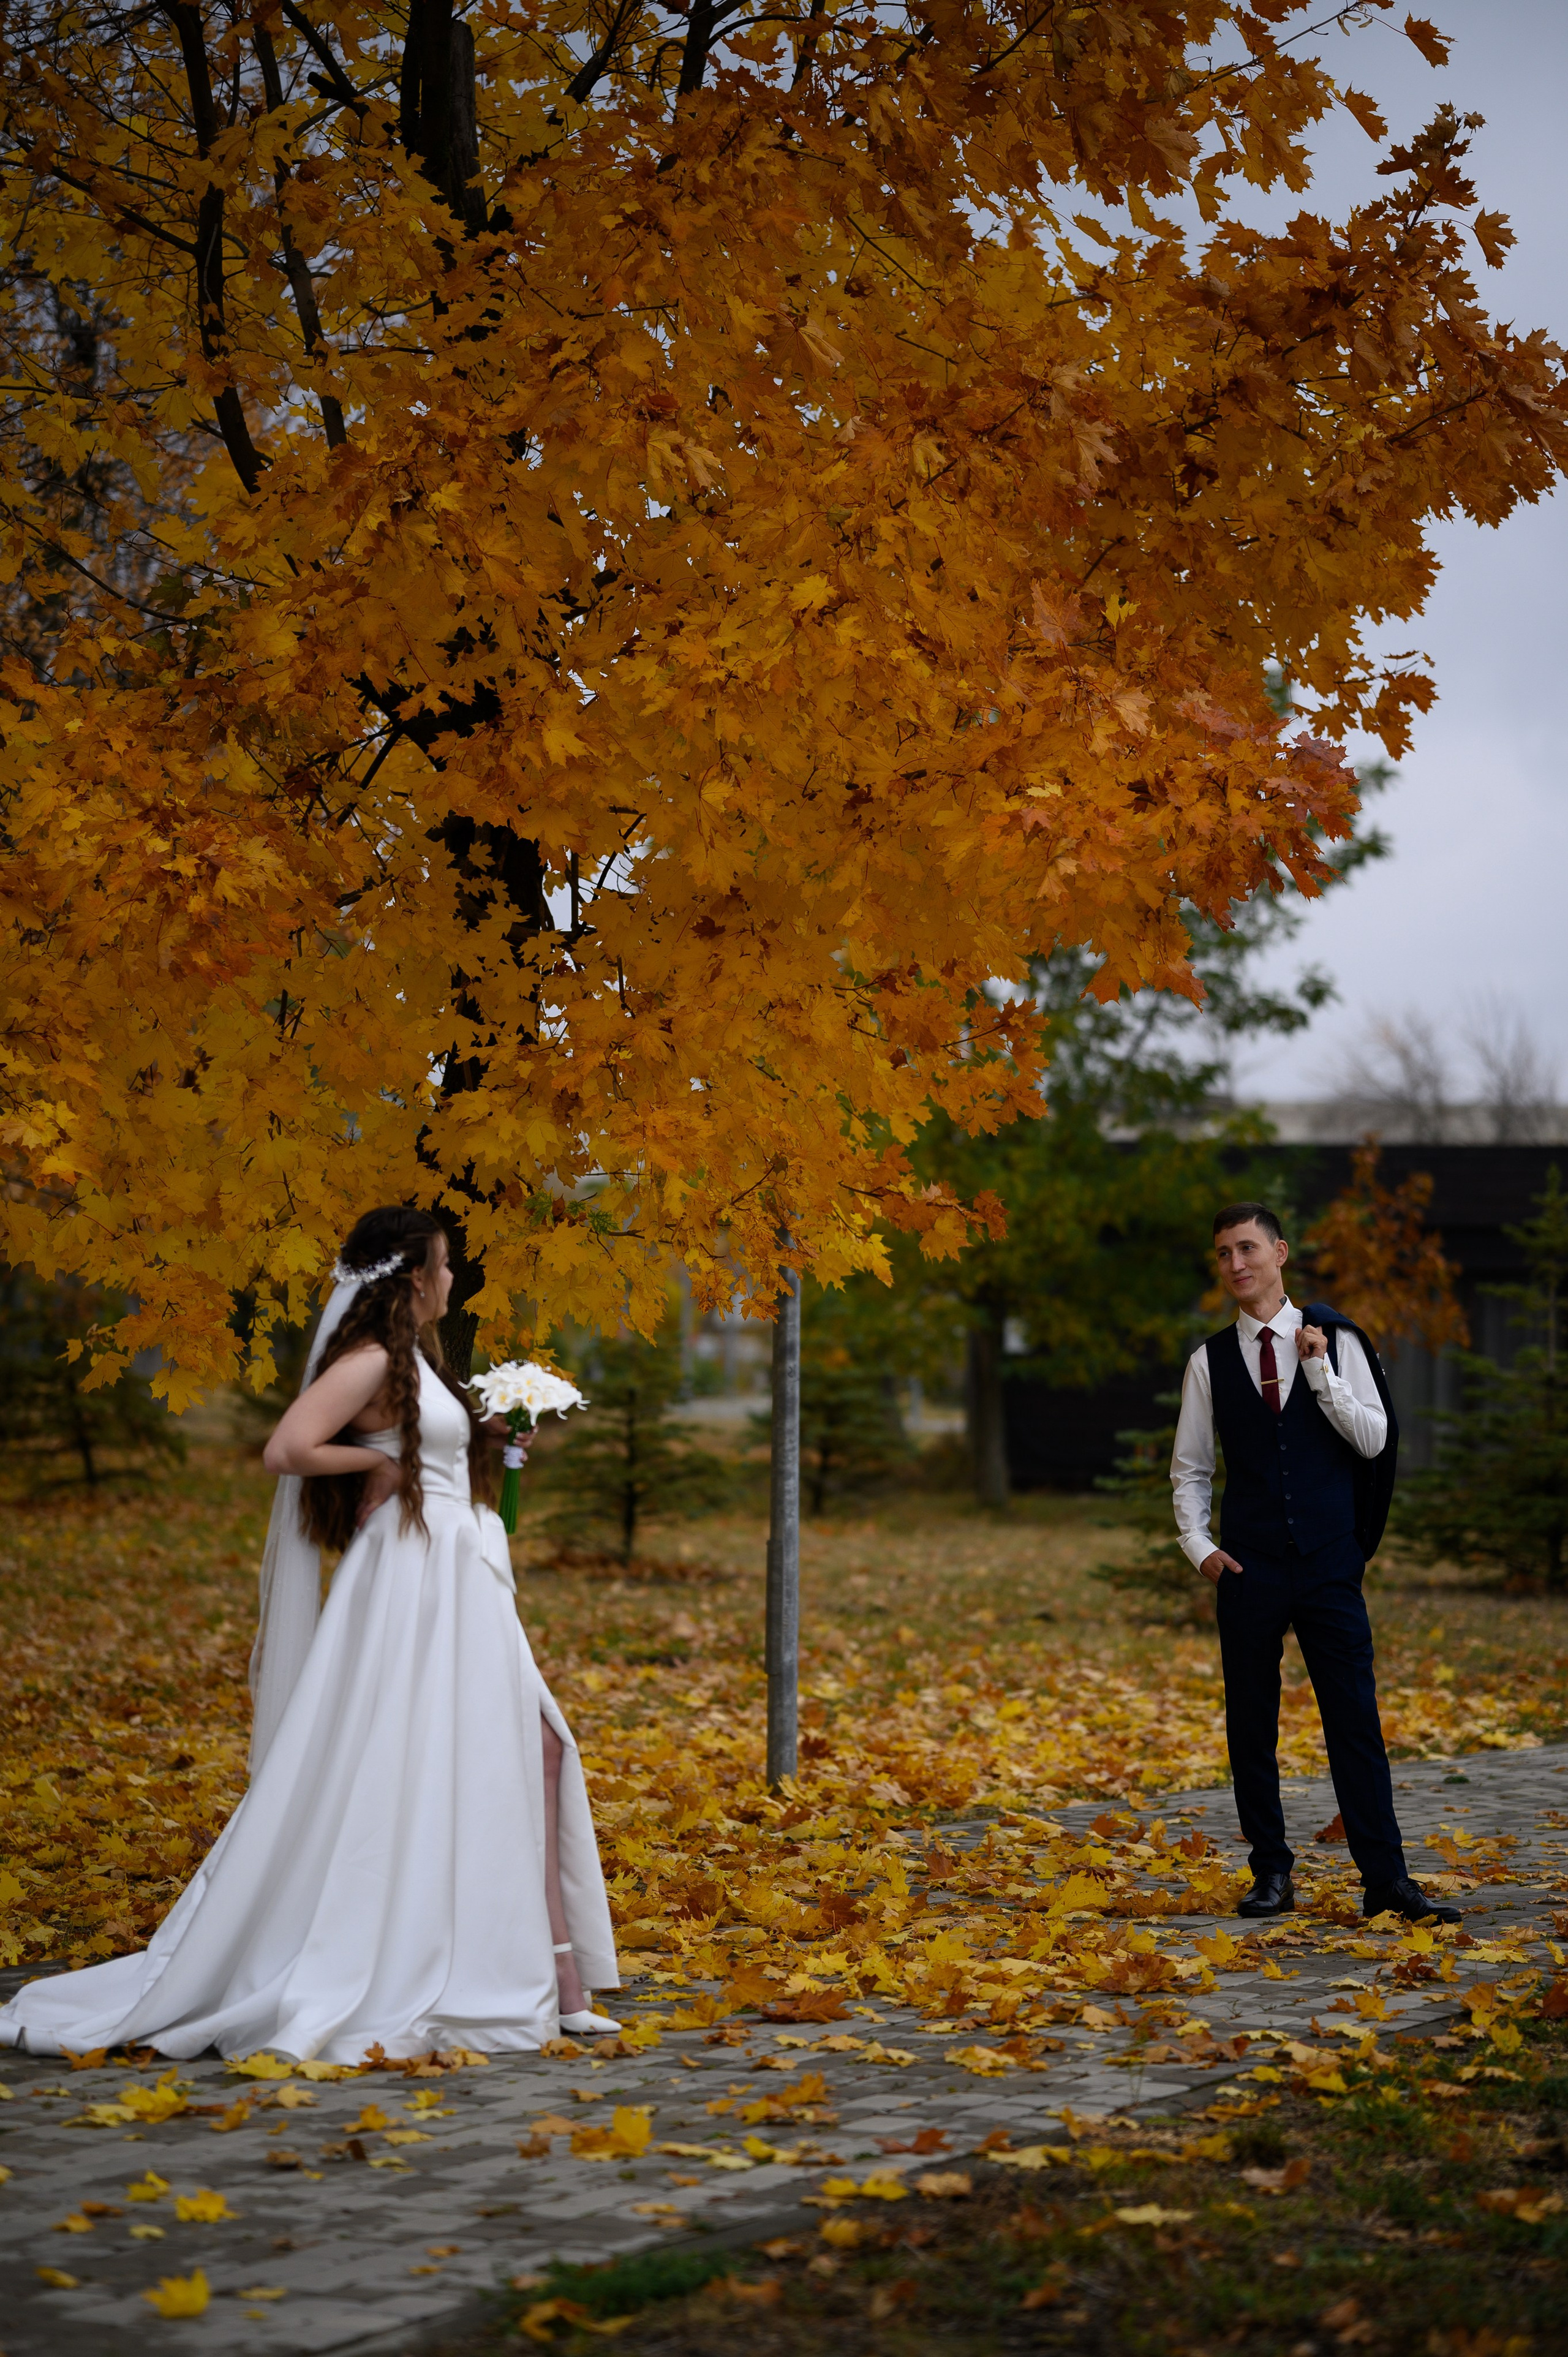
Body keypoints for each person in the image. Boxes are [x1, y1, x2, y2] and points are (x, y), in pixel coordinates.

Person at [0, 1206, 622, 2060]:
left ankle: (549, 1976)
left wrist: (484, 1440)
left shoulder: (415, 1364)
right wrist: (379, 1463)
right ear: (412, 1278)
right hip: (411, 1580)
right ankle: (516, 1977)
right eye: (444, 1266)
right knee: (438, 1758)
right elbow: (289, 1447)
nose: (452, 1280)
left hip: (458, 1577)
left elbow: (422, 1453)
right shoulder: (370, 1359)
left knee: (529, 1748)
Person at [1170, 1200, 1460, 1926]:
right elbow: (1190, 1469)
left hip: (1329, 1563)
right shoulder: (1208, 1361)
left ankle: (1386, 1880)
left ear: (1279, 1252)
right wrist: (1201, 1549)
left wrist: (1321, 1373)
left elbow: (1373, 1440)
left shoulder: (1335, 1338)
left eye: (1246, 1248)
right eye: (1223, 1254)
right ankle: (1271, 1871)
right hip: (1247, 1568)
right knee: (1250, 1723)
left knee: (1354, 1720)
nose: (1235, 1264)